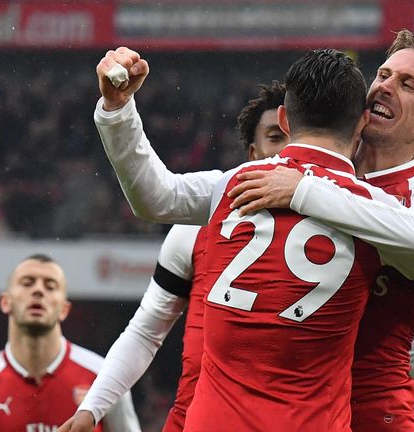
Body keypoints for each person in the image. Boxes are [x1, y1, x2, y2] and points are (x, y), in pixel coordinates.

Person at [90, 29, 414, 432]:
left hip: (374, 414)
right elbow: (160, 198)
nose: (384, 86)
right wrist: (118, 110)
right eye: (383, 74)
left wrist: (304, 193)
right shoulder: (271, 178)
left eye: (408, 84)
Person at [60, 83, 288, 432]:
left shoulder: (342, 223)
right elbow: (146, 331)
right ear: (253, 153)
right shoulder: (200, 225)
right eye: (275, 137)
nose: (285, 151)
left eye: (294, 138)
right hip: (196, 422)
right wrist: (91, 408)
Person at [0, 254, 141, 432]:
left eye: (50, 286)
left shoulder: (104, 377)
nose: (38, 291)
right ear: (6, 302)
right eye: (27, 283)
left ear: (64, 309)